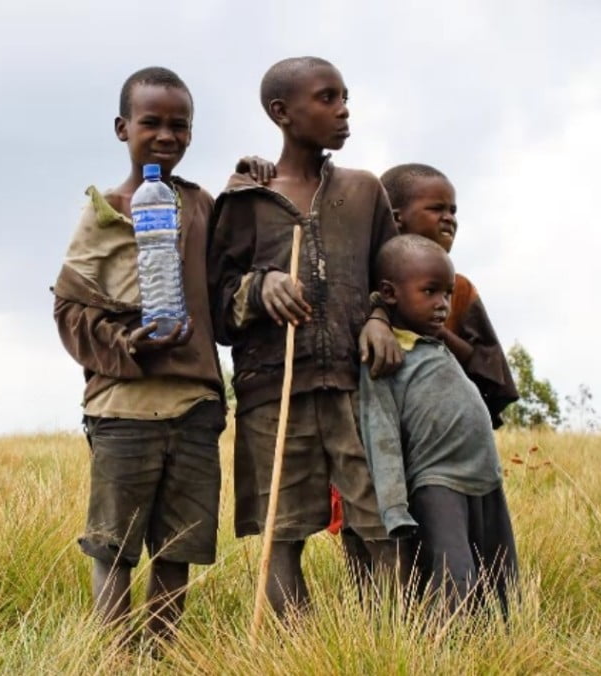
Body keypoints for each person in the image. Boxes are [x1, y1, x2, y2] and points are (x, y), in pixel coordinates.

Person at [207, 55, 404, 618]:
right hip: (274, 392)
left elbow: (391, 280)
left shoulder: (365, 192)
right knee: (281, 533)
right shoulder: (243, 203)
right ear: (282, 113)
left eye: (345, 97)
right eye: (327, 98)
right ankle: (303, 652)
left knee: (381, 525)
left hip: (356, 389)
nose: (344, 112)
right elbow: (217, 309)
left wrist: (376, 318)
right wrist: (258, 286)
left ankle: (385, 646)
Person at [52, 66, 228, 642]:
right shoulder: (103, 213)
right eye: (151, 122)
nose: (166, 136)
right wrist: (130, 344)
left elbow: (227, 284)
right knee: (114, 546)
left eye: (180, 125)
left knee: (180, 545)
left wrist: (252, 179)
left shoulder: (201, 207)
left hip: (195, 405)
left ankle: (161, 652)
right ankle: (113, 655)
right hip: (122, 406)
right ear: (122, 128)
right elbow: (70, 313)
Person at [359, 234, 518, 614]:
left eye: (447, 294)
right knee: (453, 581)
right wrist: (395, 508)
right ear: (389, 293)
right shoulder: (387, 353)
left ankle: (498, 657)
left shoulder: (435, 345)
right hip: (437, 482)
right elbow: (379, 432)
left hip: (485, 481)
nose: (443, 305)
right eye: (430, 292)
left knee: (501, 580)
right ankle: (443, 656)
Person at [379, 163, 518, 425]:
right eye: (436, 209)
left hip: (440, 428)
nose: (449, 218)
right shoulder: (363, 280)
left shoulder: (461, 290)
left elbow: (493, 379)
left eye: (453, 210)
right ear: (397, 217)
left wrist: (439, 333)